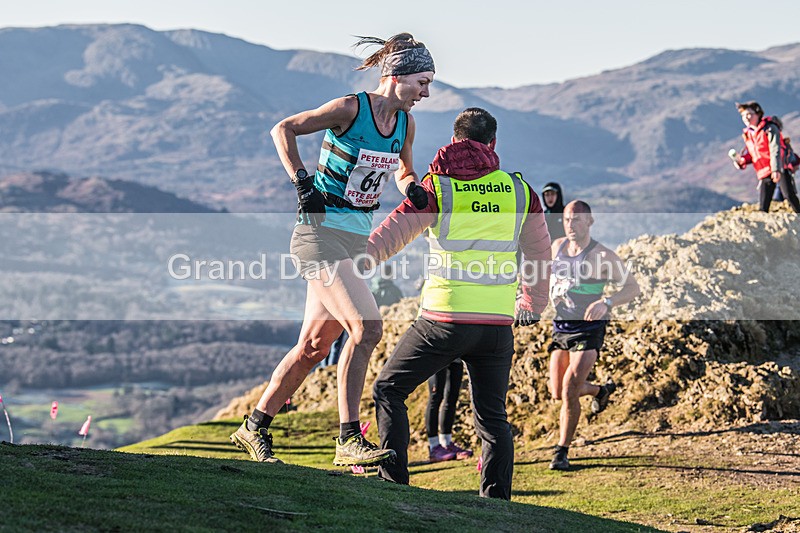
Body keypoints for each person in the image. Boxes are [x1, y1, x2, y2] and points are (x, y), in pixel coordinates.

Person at [229, 33, 435, 465]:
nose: (426, 93)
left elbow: (404, 168)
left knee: (313, 347)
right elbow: (282, 129)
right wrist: (303, 183)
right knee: (368, 329)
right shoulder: (350, 108)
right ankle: (347, 439)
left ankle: (253, 427)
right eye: (423, 81)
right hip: (318, 237)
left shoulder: (404, 125)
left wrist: (412, 187)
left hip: (354, 240)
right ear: (396, 76)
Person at [369, 107, 552, 499]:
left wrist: (350, 263)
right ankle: (497, 502)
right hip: (498, 326)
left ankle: (394, 488)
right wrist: (532, 304)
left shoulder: (440, 187)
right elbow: (540, 256)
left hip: (443, 320)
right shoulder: (522, 192)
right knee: (492, 418)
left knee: (389, 390)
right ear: (494, 144)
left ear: (454, 141)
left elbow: (391, 235)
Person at [547, 200, 640, 471]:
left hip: (589, 327)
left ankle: (561, 452)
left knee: (569, 389)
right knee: (557, 392)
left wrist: (607, 302)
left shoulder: (603, 256)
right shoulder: (558, 247)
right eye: (567, 219)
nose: (571, 224)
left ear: (590, 221)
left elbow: (632, 288)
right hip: (561, 326)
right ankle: (602, 390)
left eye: (577, 219)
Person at [732, 101, 800, 213]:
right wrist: (743, 160)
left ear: (758, 114)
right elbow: (754, 153)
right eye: (743, 115)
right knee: (764, 204)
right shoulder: (749, 134)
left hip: (780, 166)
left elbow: (775, 149)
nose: (746, 118)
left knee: (789, 196)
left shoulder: (770, 128)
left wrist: (776, 169)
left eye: (749, 114)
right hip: (764, 171)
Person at [425, 359, 473, 462]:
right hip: (438, 353)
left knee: (452, 398)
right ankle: (434, 447)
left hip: (457, 355)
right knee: (435, 397)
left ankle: (446, 444)